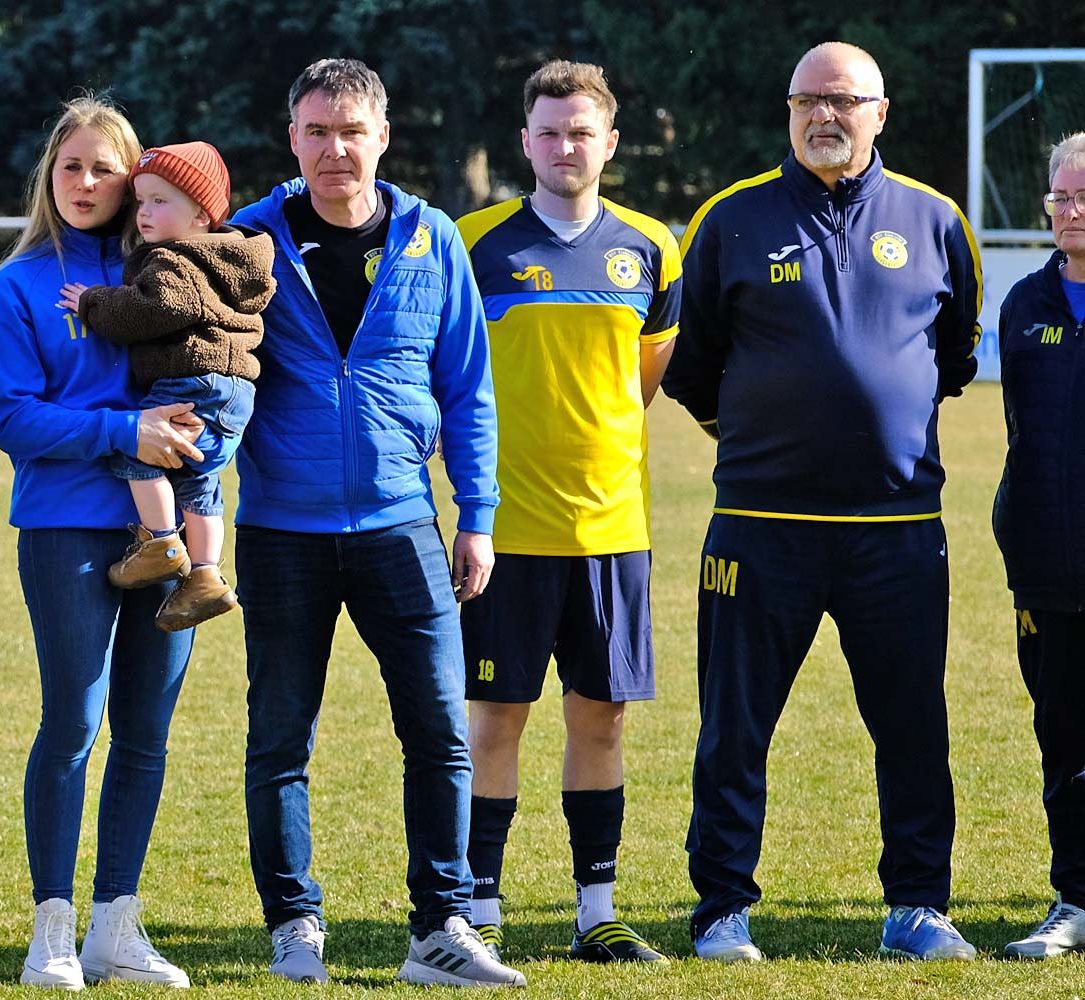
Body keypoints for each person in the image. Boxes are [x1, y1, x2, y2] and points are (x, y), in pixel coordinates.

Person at [661, 40, 982, 963]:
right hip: (762, 528)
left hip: (897, 528)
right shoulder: (730, 218)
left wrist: (870, 420)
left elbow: (952, 355)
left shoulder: (936, 218)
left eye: (842, 100)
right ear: (789, 111)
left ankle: (917, 906)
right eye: (807, 100)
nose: (823, 116)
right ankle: (722, 908)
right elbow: (691, 365)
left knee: (913, 724)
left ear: (880, 112)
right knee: (735, 725)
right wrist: (769, 442)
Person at [232, 58, 524, 988]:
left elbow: (469, 388)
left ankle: (441, 926)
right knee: (281, 739)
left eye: (352, 131)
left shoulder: (432, 240)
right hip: (282, 528)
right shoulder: (248, 240)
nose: (335, 150)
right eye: (317, 132)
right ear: (292, 139)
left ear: (383, 137)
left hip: (403, 524)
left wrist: (476, 516)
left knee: (440, 732)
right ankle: (294, 925)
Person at [455, 59, 677, 965]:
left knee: (602, 719)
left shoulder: (651, 248)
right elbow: (449, 378)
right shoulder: (473, 242)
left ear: (610, 142)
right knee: (494, 721)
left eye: (581, 131)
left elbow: (643, 380)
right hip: (504, 533)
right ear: (525, 142)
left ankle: (597, 912)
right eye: (548, 131)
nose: (564, 146)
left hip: (613, 531)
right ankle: (481, 909)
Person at [0, 96, 205, 990]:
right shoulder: (19, 284)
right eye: (69, 166)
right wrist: (125, 431)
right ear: (49, 176)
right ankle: (53, 931)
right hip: (65, 526)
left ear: (132, 180)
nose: (83, 183)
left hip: (171, 531)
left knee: (145, 731)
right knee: (74, 722)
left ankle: (116, 926)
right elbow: (13, 419)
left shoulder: (171, 273)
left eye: (103, 168)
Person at [60, 140, 275, 632]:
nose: (144, 212)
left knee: (139, 450)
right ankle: (205, 574)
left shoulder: (175, 260)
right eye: (141, 200)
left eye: (160, 201)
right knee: (197, 476)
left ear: (201, 214)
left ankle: (160, 543)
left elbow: (153, 309)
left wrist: (93, 302)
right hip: (231, 387)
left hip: (191, 377)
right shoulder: (229, 257)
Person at [991, 130, 1085, 960]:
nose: (1072, 210)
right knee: (1064, 740)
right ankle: (1075, 898)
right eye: (1062, 196)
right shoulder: (1023, 303)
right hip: (1049, 573)